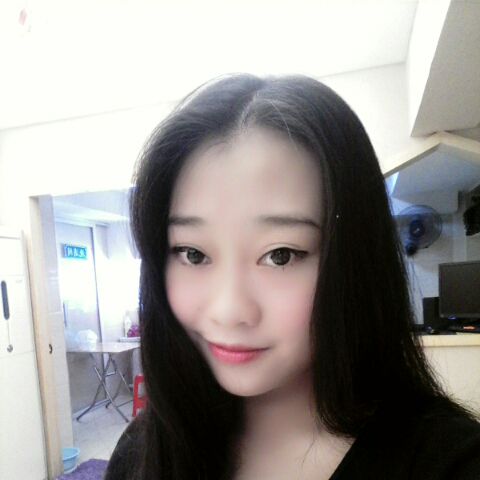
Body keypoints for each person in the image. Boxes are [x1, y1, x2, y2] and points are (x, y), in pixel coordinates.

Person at [105, 74, 480, 480]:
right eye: (193, 254)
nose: (229, 311)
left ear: (356, 258)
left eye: (280, 255)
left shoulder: (449, 464)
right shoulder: (143, 450)